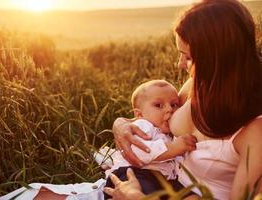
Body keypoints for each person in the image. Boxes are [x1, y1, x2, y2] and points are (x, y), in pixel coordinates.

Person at [104, 0, 262, 199]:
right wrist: (121, 124)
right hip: (149, 180)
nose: (179, 65)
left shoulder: (256, 132)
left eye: (187, 57)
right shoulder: (198, 84)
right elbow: (158, 118)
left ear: (217, 58)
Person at [103, 80, 196, 199]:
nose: (170, 109)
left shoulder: (171, 133)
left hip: (164, 179)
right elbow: (138, 151)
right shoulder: (143, 125)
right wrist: (174, 148)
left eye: (174, 105)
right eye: (158, 105)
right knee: (145, 193)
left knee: (188, 195)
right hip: (133, 174)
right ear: (139, 114)